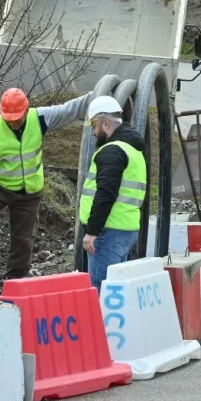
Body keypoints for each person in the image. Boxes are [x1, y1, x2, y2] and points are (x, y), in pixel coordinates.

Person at [0, 87, 94, 288]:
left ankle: (14, 284)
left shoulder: (39, 118)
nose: (13, 122)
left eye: (17, 118)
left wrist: (96, 95)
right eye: (9, 118)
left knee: (23, 239)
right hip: (0, 186)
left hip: (30, 191)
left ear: (26, 110)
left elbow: (69, 110)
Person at [79, 95, 148, 291]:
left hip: (107, 232)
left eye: (94, 125)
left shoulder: (112, 151)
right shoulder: (132, 150)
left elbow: (105, 194)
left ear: (106, 124)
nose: (93, 132)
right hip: (123, 229)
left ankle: (103, 323)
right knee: (117, 291)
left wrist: (92, 231)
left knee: (103, 290)